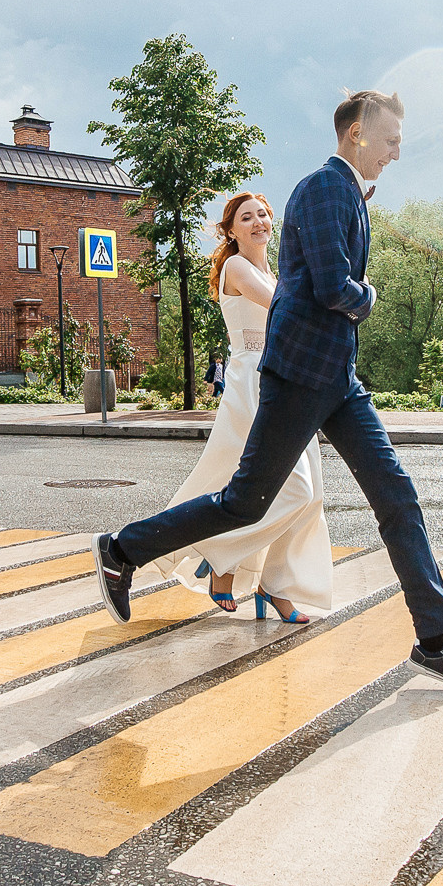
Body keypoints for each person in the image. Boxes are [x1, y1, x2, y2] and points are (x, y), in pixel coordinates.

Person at [95, 90, 443, 698]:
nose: (396, 152)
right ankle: (123, 549)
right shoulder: (323, 188)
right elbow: (335, 287)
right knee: (244, 503)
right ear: (358, 133)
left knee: (396, 496)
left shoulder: (347, 193)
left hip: (337, 378)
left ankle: (434, 641)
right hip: (299, 374)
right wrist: (369, 296)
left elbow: (310, 281)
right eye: (391, 140)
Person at [139, 193, 331, 623]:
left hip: (285, 382)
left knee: (310, 493)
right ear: (231, 231)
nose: (258, 222)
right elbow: (287, 308)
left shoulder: (272, 270)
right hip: (254, 384)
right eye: (247, 217)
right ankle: (221, 558)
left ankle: (276, 586)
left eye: (263, 214)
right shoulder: (237, 267)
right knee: (293, 488)